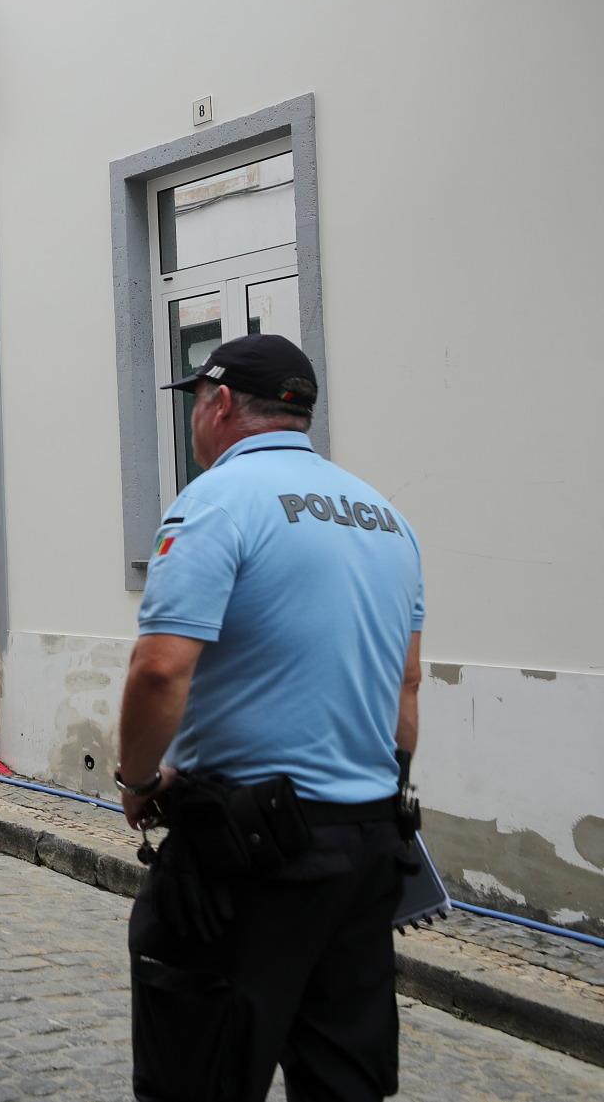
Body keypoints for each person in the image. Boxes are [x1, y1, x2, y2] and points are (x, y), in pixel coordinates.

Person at [115, 334, 423, 1102]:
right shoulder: (385, 517)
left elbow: (160, 668)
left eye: (196, 403)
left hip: (249, 856)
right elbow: (407, 691)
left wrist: (138, 778)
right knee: (342, 1083)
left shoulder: (216, 498)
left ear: (219, 404)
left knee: (197, 1075)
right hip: (366, 847)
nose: (195, 420)